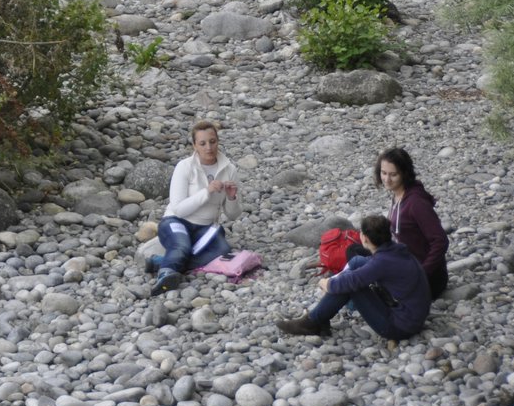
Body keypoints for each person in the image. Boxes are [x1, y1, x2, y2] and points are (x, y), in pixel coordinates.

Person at [277, 214, 430, 341]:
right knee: (357, 262)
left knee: (350, 286)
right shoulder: (396, 250)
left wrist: (326, 283)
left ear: (365, 238)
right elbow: (366, 269)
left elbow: (348, 283)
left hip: (399, 326)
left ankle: (312, 322)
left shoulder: (381, 263)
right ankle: (320, 319)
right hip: (413, 314)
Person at [147, 120, 242, 296]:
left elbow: (233, 215)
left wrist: (231, 197)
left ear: (218, 141)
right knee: (181, 245)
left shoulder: (229, 169)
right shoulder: (184, 167)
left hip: (206, 227)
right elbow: (179, 209)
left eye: (212, 142)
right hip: (176, 221)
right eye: (202, 143)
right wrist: (207, 192)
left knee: (223, 252)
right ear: (194, 146)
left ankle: (160, 262)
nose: (209, 148)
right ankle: (165, 274)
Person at [374, 147, 449, 299]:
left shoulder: (416, 203)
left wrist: (422, 273)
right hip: (404, 264)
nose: (387, 179)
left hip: (425, 278)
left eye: (393, 174)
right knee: (356, 254)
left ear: (404, 173)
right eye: (384, 173)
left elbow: (440, 241)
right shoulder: (398, 195)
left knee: (360, 277)